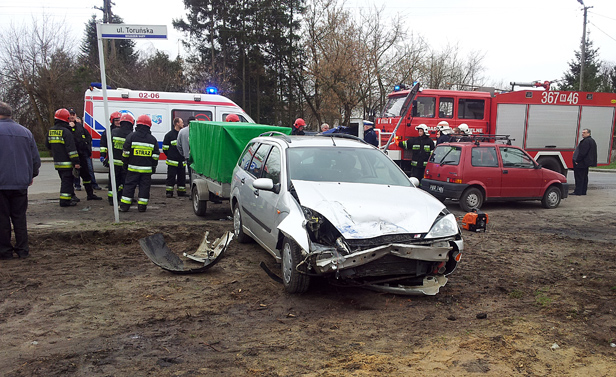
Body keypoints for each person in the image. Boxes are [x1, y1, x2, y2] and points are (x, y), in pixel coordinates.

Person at [0, 101, 41, 259]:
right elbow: (35, 159)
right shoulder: (25, 132)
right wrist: (31, 175)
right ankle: (23, 249)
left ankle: (5, 252)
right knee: (19, 217)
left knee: (2, 219)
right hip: (20, 183)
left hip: (2, 184)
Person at [120, 115, 160, 212]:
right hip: (146, 170)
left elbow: (126, 152)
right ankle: (142, 207)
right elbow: (155, 156)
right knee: (144, 188)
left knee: (129, 186)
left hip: (132, 168)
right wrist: (153, 166)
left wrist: (125, 163)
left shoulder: (131, 136)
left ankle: (124, 206)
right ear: (149, 126)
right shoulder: (152, 139)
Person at [45, 108, 81, 207]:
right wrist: (76, 162)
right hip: (67, 162)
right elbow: (71, 149)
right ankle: (65, 201)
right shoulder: (66, 132)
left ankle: (69, 199)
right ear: (66, 119)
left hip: (57, 161)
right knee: (67, 182)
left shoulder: (50, 131)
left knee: (64, 180)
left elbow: (47, 145)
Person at [66, 108, 102, 201]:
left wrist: (86, 145)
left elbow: (87, 136)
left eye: (73, 114)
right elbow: (71, 140)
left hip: (83, 154)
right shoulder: (67, 127)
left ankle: (90, 194)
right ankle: (73, 194)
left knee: (87, 175)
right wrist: (72, 128)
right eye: (70, 115)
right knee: (72, 176)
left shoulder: (80, 126)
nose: (72, 116)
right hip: (73, 156)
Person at [109, 113, 135, 205]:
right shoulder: (131, 135)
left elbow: (110, 147)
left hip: (114, 162)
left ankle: (112, 199)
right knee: (125, 182)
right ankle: (123, 197)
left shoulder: (114, 132)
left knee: (113, 181)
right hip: (125, 163)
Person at [74, 114, 101, 190]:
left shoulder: (82, 129)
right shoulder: (71, 129)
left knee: (89, 170)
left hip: (85, 153)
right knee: (76, 171)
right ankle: (77, 185)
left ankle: (93, 184)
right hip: (76, 153)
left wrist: (86, 144)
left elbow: (88, 137)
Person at [162, 117, 187, 198]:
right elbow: (165, 149)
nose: (183, 124)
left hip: (181, 161)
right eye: (181, 122)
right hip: (172, 161)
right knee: (171, 177)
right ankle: (169, 192)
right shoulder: (169, 135)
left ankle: (181, 192)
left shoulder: (183, 135)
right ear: (177, 123)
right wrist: (171, 155)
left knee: (182, 178)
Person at [100, 111, 122, 201]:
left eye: (119, 120)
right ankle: (111, 198)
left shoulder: (125, 131)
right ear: (112, 121)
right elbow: (103, 145)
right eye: (116, 120)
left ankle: (121, 196)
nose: (118, 122)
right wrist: (103, 155)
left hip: (122, 160)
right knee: (112, 180)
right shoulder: (108, 132)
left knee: (122, 181)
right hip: (112, 159)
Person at [571, 128, 597, 195]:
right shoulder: (592, 141)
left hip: (582, 163)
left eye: (584, 132)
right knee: (584, 177)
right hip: (586, 163)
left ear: (588, 133)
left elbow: (582, 153)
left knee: (579, 177)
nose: (582, 134)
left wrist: (577, 160)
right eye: (582, 132)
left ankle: (578, 192)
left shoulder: (586, 141)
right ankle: (583, 191)